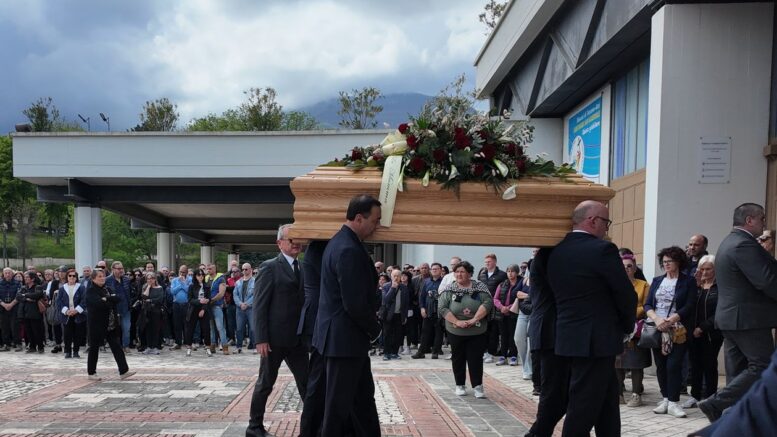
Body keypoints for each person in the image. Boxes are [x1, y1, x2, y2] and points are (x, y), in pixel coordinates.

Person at [546, 200, 636, 436]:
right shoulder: (602, 250)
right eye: (606, 222)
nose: (607, 228)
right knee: (583, 404)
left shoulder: (554, 251)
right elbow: (625, 293)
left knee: (607, 400)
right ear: (593, 221)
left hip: (569, 336)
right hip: (596, 339)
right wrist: (627, 327)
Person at [698, 203, 777, 422]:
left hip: (733, 319)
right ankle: (715, 403)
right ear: (749, 220)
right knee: (764, 366)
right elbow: (766, 281)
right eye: (762, 218)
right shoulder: (743, 244)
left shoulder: (730, 241)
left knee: (739, 371)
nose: (764, 222)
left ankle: (733, 418)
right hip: (748, 320)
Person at [312, 194, 382, 436]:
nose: (377, 226)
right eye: (375, 220)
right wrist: (376, 330)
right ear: (359, 218)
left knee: (362, 401)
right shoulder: (348, 249)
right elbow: (354, 303)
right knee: (338, 407)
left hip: (345, 340)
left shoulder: (341, 242)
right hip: (344, 341)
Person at [246, 224, 309, 437]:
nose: (296, 244)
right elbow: (260, 305)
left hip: (297, 340)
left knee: (308, 384)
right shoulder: (269, 267)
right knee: (265, 383)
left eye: (298, 239)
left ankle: (312, 428)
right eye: (291, 240)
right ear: (279, 243)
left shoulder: (304, 267)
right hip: (273, 340)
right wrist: (261, 338)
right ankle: (254, 427)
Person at [643, 246, 696, 418]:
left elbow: (690, 305)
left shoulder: (688, 281)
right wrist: (657, 320)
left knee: (674, 365)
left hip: (677, 330)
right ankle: (665, 399)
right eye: (664, 261)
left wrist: (670, 320)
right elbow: (648, 304)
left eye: (670, 261)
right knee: (661, 365)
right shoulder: (657, 280)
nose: (666, 264)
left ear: (678, 262)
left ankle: (673, 402)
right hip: (657, 328)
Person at [526, 247, 568, 437]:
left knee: (560, 393)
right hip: (550, 332)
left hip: (552, 331)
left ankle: (537, 432)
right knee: (553, 392)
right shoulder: (546, 257)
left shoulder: (548, 257)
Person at [438, 260, 493, 398]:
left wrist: (474, 319)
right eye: (456, 272)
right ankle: (460, 385)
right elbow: (442, 307)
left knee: (475, 358)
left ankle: (478, 386)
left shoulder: (480, 287)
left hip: (477, 330)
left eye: (462, 272)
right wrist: (457, 321)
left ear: (470, 274)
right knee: (458, 358)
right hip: (455, 329)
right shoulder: (449, 289)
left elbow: (487, 303)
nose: (459, 274)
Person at [684, 254, 723, 409]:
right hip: (693, 332)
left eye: (708, 269)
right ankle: (695, 395)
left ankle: (710, 396)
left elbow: (720, 312)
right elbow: (688, 306)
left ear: (715, 269)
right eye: (702, 269)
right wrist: (695, 286)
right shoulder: (696, 286)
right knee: (695, 365)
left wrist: (702, 327)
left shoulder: (720, 287)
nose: (705, 272)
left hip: (711, 333)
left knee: (709, 364)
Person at [297, 240, 328, 437]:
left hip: (318, 318)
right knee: (318, 380)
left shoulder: (319, 247)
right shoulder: (318, 248)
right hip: (318, 320)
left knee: (321, 379)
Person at [85, 269, 133, 381]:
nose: (102, 278)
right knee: (94, 348)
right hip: (97, 324)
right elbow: (98, 304)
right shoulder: (91, 290)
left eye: (103, 276)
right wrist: (109, 300)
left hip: (111, 324)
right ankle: (91, 373)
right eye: (99, 276)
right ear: (93, 279)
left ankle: (124, 371)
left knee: (116, 347)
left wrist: (106, 298)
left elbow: (118, 299)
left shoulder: (107, 288)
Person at [616, 254, 651, 408]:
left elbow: (647, 305)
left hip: (636, 328)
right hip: (618, 328)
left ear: (635, 268)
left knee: (636, 362)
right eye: (623, 267)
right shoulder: (614, 284)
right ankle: (618, 394)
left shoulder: (643, 285)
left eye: (629, 266)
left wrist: (628, 312)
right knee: (617, 362)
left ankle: (636, 394)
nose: (626, 269)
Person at [477, 253, 507, 364]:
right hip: (483, 305)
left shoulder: (502, 275)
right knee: (483, 330)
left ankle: (491, 353)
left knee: (494, 331)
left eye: (489, 261)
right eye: (486, 262)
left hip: (495, 307)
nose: (487, 264)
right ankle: (484, 351)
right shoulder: (482, 274)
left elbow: (504, 291)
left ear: (495, 262)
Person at [413, 262, 444, 359]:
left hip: (440, 310)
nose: (434, 270)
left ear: (440, 270)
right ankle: (421, 352)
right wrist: (422, 308)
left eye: (436, 269)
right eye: (433, 269)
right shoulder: (426, 282)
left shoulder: (444, 282)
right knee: (425, 332)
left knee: (439, 332)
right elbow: (422, 296)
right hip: (428, 310)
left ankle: (435, 351)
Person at [493, 264, 521, 367]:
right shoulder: (502, 284)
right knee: (503, 335)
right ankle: (503, 356)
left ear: (517, 273)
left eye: (512, 271)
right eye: (508, 271)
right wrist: (501, 307)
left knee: (513, 335)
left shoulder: (520, 284)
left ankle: (513, 356)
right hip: (502, 314)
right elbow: (495, 299)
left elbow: (520, 298)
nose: (510, 273)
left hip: (514, 314)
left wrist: (509, 307)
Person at [379, 269, 409, 360]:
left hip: (399, 314)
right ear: (391, 276)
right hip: (388, 314)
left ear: (400, 277)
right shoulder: (386, 286)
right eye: (394, 276)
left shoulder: (404, 287)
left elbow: (406, 303)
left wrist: (405, 316)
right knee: (387, 334)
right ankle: (386, 353)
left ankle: (394, 353)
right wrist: (392, 288)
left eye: (398, 276)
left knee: (398, 335)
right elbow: (385, 300)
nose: (396, 278)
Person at [56, 269, 86, 359]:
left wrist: (76, 310)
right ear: (67, 277)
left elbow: (84, 300)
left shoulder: (81, 287)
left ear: (76, 277)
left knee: (78, 334)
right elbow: (59, 302)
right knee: (67, 334)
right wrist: (66, 311)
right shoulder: (62, 288)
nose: (72, 277)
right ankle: (68, 351)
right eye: (70, 275)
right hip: (66, 315)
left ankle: (76, 351)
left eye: (74, 276)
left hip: (78, 314)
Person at [183, 269, 212, 357]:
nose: (201, 276)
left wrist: (203, 309)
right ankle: (189, 348)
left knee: (206, 329)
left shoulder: (207, 286)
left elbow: (209, 299)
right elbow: (190, 300)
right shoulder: (191, 286)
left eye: (202, 275)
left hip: (204, 309)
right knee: (190, 329)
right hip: (193, 309)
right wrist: (199, 301)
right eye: (199, 275)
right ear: (195, 276)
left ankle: (208, 348)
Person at [105, 261, 132, 353]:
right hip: (113, 308)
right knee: (114, 329)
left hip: (125, 307)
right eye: (119, 269)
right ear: (113, 269)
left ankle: (126, 345)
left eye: (122, 268)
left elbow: (129, 293)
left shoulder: (126, 279)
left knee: (126, 328)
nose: (121, 270)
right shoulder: (107, 280)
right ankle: (116, 346)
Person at [17, 271, 46, 353]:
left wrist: (25, 295)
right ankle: (32, 347)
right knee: (29, 331)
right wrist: (27, 298)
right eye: (25, 277)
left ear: (32, 279)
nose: (25, 279)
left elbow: (37, 295)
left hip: (35, 313)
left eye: (27, 277)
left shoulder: (38, 287)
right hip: (25, 312)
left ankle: (40, 347)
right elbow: (18, 296)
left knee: (37, 331)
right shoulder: (24, 287)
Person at [205, 263, 229, 355]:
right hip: (208, 306)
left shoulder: (221, 278)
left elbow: (221, 293)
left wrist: (211, 300)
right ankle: (212, 346)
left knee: (220, 327)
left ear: (215, 269)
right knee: (211, 327)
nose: (208, 270)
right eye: (207, 269)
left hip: (217, 306)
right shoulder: (206, 278)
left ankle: (225, 346)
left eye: (210, 269)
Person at [139, 272, 165, 355]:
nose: (150, 280)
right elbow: (144, 297)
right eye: (148, 278)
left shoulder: (160, 288)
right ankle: (149, 347)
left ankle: (155, 347)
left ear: (155, 279)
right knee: (148, 329)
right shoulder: (145, 287)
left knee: (156, 329)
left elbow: (160, 299)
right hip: (147, 311)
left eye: (152, 278)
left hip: (156, 311)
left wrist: (150, 300)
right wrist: (148, 287)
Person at [234, 263, 256, 354]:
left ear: (250, 269)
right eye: (242, 269)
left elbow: (256, 295)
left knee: (253, 328)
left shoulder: (255, 281)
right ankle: (239, 347)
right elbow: (235, 295)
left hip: (251, 308)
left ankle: (254, 346)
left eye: (246, 269)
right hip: (240, 308)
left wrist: (247, 304)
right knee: (239, 328)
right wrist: (240, 304)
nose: (244, 271)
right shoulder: (238, 282)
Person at [169, 265, 191, 350]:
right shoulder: (174, 280)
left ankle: (187, 342)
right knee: (177, 324)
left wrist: (183, 283)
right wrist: (181, 285)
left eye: (183, 272)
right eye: (180, 272)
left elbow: (189, 291)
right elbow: (172, 291)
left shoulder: (190, 280)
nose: (181, 274)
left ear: (187, 272)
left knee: (187, 324)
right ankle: (178, 342)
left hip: (186, 304)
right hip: (176, 304)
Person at [0, 267, 21, 351]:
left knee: (15, 326)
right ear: (3, 274)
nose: (8, 274)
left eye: (9, 273)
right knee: (4, 327)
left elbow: (19, 295)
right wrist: (4, 304)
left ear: (12, 274)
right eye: (6, 273)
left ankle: (18, 343)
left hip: (14, 307)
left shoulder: (18, 283)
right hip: (2, 307)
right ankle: (6, 344)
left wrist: (11, 304)